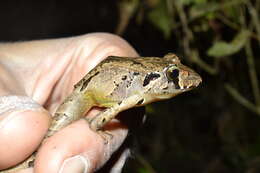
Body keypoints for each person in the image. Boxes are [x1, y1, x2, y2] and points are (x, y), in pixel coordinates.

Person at [0, 33, 138, 173]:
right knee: (44, 143)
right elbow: (110, 112)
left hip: (87, 92)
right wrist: (97, 126)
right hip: (84, 94)